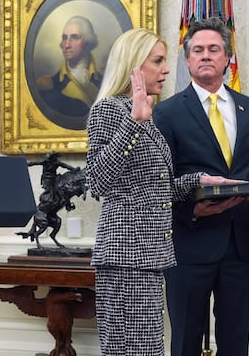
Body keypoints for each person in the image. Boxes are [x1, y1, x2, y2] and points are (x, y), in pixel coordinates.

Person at [85, 28, 228, 356]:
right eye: (158, 61)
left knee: (148, 349)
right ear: (134, 66)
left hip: (150, 257)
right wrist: (134, 122)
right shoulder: (109, 111)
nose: (166, 69)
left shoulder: (146, 118)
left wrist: (197, 181)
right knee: (129, 351)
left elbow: (154, 189)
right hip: (124, 258)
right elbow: (99, 181)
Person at [153, 17, 249, 356]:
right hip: (189, 244)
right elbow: (159, 183)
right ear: (186, 60)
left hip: (239, 248)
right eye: (198, 50)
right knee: (186, 341)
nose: (206, 55)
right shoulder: (167, 113)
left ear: (227, 58)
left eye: (214, 49)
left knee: (235, 343)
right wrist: (191, 210)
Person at [37, 15, 103, 124]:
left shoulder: (105, 82)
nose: (66, 45)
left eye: (74, 37)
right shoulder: (48, 86)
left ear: (87, 42)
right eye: (64, 38)